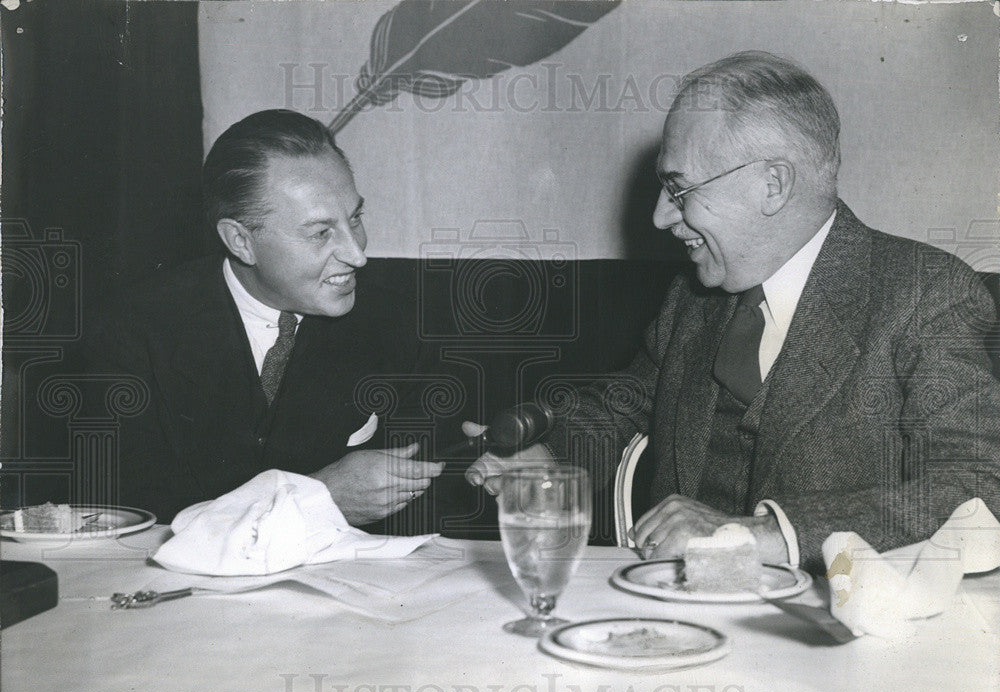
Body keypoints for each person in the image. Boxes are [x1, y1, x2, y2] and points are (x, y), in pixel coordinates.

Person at [467, 51, 1000, 573]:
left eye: (679, 188)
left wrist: (763, 534)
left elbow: (978, 490)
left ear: (773, 184)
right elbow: (624, 404)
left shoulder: (925, 293)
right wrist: (552, 458)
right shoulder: (695, 298)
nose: (658, 217)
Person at [90, 109, 445, 525]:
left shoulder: (395, 321)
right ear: (241, 241)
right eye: (320, 233)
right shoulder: (133, 332)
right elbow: (124, 516)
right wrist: (313, 499)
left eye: (355, 218)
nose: (357, 254)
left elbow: (434, 498)